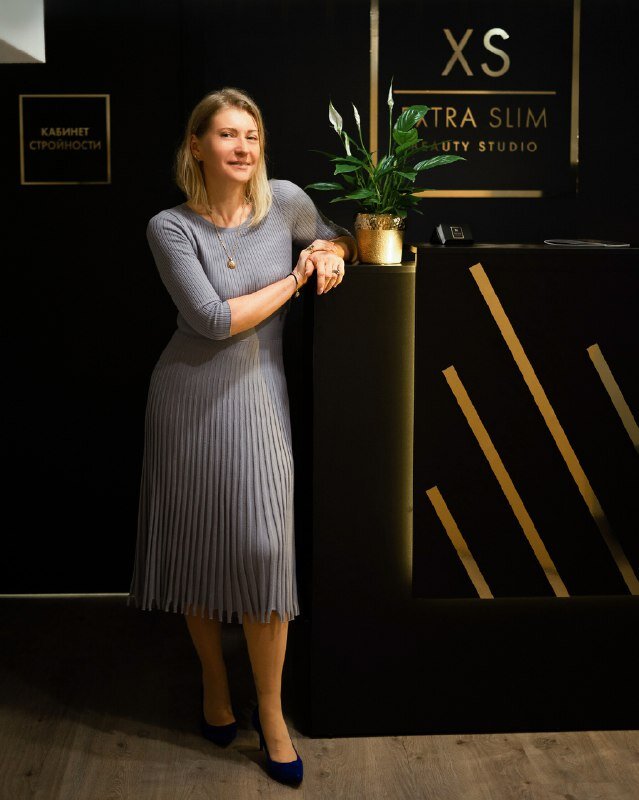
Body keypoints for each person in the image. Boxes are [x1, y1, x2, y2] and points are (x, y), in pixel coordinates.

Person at [126, 86, 357, 786]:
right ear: (196, 146)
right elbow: (213, 320)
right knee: (199, 547)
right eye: (228, 134)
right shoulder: (170, 227)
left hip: (259, 397)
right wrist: (298, 274)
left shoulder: (283, 201)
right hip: (188, 398)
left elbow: (338, 233)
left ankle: (272, 714)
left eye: (251, 136)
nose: (243, 147)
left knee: (263, 551)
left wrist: (330, 249)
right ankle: (213, 684)